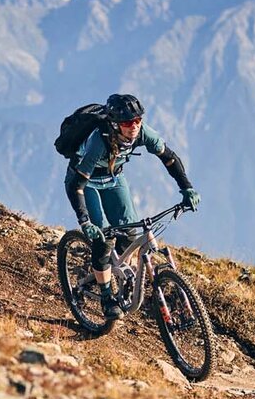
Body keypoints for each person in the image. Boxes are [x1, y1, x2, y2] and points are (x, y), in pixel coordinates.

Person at [64, 93, 200, 318]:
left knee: (129, 231)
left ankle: (116, 271)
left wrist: (187, 188)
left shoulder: (143, 132)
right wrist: (85, 221)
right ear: (115, 124)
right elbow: (76, 186)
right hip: (85, 183)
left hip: (113, 178)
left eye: (137, 120)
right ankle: (106, 296)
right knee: (103, 238)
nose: (134, 126)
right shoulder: (98, 141)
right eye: (127, 123)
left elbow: (169, 158)